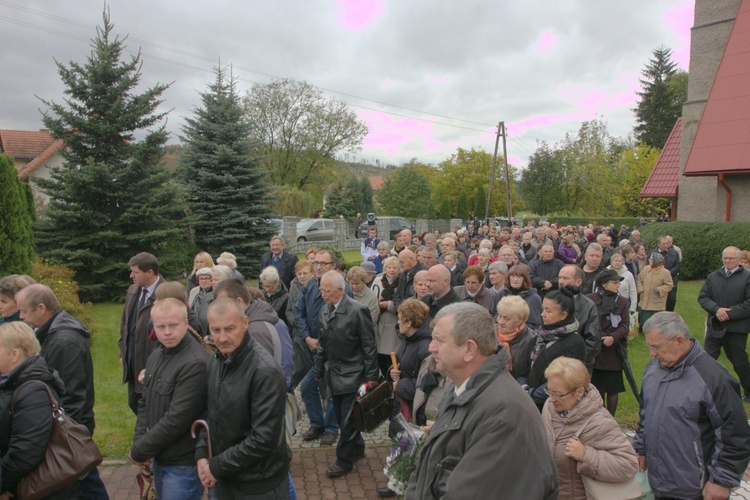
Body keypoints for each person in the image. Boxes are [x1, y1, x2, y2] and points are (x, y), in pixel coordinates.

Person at [404, 303, 558, 499]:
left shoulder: (503, 413)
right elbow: (426, 468)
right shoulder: (459, 387)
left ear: (469, 349)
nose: (431, 347)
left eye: (439, 340)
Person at [634, 312, 750, 499]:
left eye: (656, 347)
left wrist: (721, 481)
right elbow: (646, 411)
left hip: (696, 489)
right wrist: (641, 447)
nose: (651, 353)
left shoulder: (714, 379)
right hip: (660, 483)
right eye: (649, 346)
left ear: (679, 341)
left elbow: (735, 435)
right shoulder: (653, 369)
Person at [15, 284, 108, 498]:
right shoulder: (51, 333)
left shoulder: (64, 342)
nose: (21, 317)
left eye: (24, 311)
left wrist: (63, 436)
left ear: (41, 308)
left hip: (70, 430)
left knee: (82, 482)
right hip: (67, 429)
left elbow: (73, 396)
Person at [196, 299, 292, 498]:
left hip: (257, 485)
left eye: (230, 329)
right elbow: (209, 412)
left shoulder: (265, 371)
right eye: (215, 330)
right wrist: (202, 454)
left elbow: (264, 439)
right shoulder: (216, 361)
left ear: (245, 323)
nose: (222, 338)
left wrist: (216, 466)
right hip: (227, 477)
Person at [130, 298, 209, 500]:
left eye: (173, 325)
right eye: (160, 326)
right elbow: (144, 402)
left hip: (183, 464)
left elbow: (177, 419)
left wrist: (141, 450)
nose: (167, 332)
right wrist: (141, 442)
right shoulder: (157, 355)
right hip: (160, 457)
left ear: (185, 323)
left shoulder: (195, 363)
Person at [0, 322, 80, 499]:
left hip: (40, 488)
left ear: (14, 354)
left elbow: (26, 450)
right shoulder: (12, 382)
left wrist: (3, 484)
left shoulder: (32, 391)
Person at [542, 357, 638, 499]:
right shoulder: (549, 407)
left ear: (579, 392)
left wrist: (586, 456)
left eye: (557, 394)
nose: (551, 398)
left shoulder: (600, 423)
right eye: (549, 391)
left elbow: (628, 464)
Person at [314, 271, 379, 478]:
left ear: (340, 290)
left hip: (354, 375)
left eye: (326, 290)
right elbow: (322, 343)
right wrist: (318, 369)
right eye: (321, 289)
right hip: (334, 375)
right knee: (344, 416)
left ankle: (344, 460)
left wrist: (370, 378)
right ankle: (357, 448)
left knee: (347, 421)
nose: (322, 294)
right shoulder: (324, 311)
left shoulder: (358, 311)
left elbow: (369, 347)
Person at [377, 298, 432, 498]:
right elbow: (402, 365)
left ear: (409, 322)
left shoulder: (425, 347)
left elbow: (424, 386)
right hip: (401, 404)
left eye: (400, 319)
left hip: (412, 408)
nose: (397, 322)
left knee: (407, 447)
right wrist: (393, 371)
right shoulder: (409, 339)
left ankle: (402, 484)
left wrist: (399, 385)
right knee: (398, 442)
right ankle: (396, 482)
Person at [294, 250, 344, 445]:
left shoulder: (341, 288)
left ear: (332, 265)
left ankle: (331, 428)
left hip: (332, 352)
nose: (318, 267)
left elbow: (340, 322)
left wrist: (321, 343)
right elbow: (298, 314)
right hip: (312, 349)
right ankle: (317, 423)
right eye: (316, 263)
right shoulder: (308, 286)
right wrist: (307, 337)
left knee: (332, 392)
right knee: (307, 387)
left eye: (323, 263)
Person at [514, 287, 587, 409]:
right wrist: (524, 389)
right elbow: (521, 368)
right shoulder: (540, 335)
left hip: (552, 406)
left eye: (548, 311)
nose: (542, 314)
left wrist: (532, 397)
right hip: (527, 402)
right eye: (543, 309)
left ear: (563, 315)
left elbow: (566, 380)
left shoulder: (575, 343)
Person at [214, 279, 294, 392]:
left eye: (223, 304)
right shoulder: (256, 317)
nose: (219, 309)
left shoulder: (255, 330)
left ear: (239, 301)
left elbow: (261, 375)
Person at [698, 246, 750, 402]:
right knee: (706, 359)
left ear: (739, 260)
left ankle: (748, 390)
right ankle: (702, 391)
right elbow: (703, 297)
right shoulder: (714, 277)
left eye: (731, 258)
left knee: (740, 362)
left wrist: (729, 313)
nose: (727, 261)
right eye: (725, 258)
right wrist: (716, 309)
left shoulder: (747, 278)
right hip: (715, 325)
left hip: (737, 328)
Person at [120, 252, 165, 414]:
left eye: (135, 272)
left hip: (151, 360)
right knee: (134, 402)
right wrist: (122, 352)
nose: (131, 276)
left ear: (150, 272)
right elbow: (125, 323)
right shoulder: (133, 291)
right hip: (133, 360)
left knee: (150, 405)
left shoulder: (165, 293)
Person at [586, 269, 629, 416]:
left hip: (614, 351)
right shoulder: (590, 300)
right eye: (614, 282)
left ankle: (611, 418)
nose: (618, 285)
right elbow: (589, 323)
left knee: (613, 389)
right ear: (604, 284)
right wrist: (602, 336)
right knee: (597, 389)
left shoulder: (622, 302)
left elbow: (625, 325)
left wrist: (614, 337)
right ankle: (598, 419)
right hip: (597, 351)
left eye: (618, 283)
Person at [373, 256, 402, 378]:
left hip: (393, 322)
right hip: (380, 322)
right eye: (389, 267)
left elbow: (402, 301)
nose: (392, 270)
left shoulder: (401, 282)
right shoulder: (377, 281)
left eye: (395, 267)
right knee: (380, 353)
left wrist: (389, 305)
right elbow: (372, 297)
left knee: (392, 353)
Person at [490, 264, 542, 330]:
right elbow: (492, 313)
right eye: (513, 276)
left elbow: (533, 324)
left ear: (525, 279)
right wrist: (503, 319)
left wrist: (514, 326)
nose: (515, 279)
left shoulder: (534, 298)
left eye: (519, 277)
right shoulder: (502, 294)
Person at [496, 296, 534, 378]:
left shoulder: (530, 340)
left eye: (507, 319)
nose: (501, 322)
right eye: (500, 316)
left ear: (519, 321)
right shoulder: (490, 332)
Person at [636, 252, 673, 328]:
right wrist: (641, 290)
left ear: (656, 260)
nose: (649, 260)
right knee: (642, 316)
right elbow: (639, 279)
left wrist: (659, 289)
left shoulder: (665, 272)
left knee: (654, 323)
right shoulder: (646, 269)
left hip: (656, 302)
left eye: (651, 259)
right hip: (644, 299)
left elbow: (669, 285)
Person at [649, 236, 680, 312]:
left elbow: (678, 265)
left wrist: (668, 273)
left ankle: (669, 314)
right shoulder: (653, 253)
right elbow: (649, 266)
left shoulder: (674, 253)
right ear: (658, 244)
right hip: (657, 281)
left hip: (671, 280)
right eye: (663, 244)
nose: (666, 246)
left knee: (671, 299)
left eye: (667, 244)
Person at [608, 252, 637, 328]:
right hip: (609, 302)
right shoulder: (606, 273)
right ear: (611, 262)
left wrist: (633, 307)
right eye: (615, 261)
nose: (617, 262)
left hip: (623, 303)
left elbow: (633, 291)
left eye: (619, 261)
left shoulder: (628, 274)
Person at [346, 266, 380, 331]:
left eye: (357, 284)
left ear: (364, 282)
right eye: (352, 283)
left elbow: (372, 320)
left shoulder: (371, 297)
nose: (354, 286)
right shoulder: (346, 293)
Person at [261, 266, 291, 333]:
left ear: (276, 284)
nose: (267, 289)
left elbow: (288, 320)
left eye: (269, 286)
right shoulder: (261, 295)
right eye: (264, 286)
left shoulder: (286, 297)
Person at [189, 267, 214, 336]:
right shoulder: (194, 291)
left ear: (212, 280)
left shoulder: (215, 293)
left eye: (206, 278)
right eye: (201, 278)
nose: (203, 281)